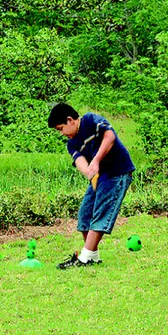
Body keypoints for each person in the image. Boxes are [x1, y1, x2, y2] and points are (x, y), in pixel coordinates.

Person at [48, 103, 135, 269]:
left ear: (70, 120)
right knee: (85, 214)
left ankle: (84, 258)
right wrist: (89, 171)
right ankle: (92, 256)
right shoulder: (71, 143)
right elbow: (79, 161)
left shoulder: (90, 120)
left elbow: (110, 137)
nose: (61, 133)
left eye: (61, 128)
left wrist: (95, 161)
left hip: (118, 172)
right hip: (100, 177)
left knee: (101, 212)